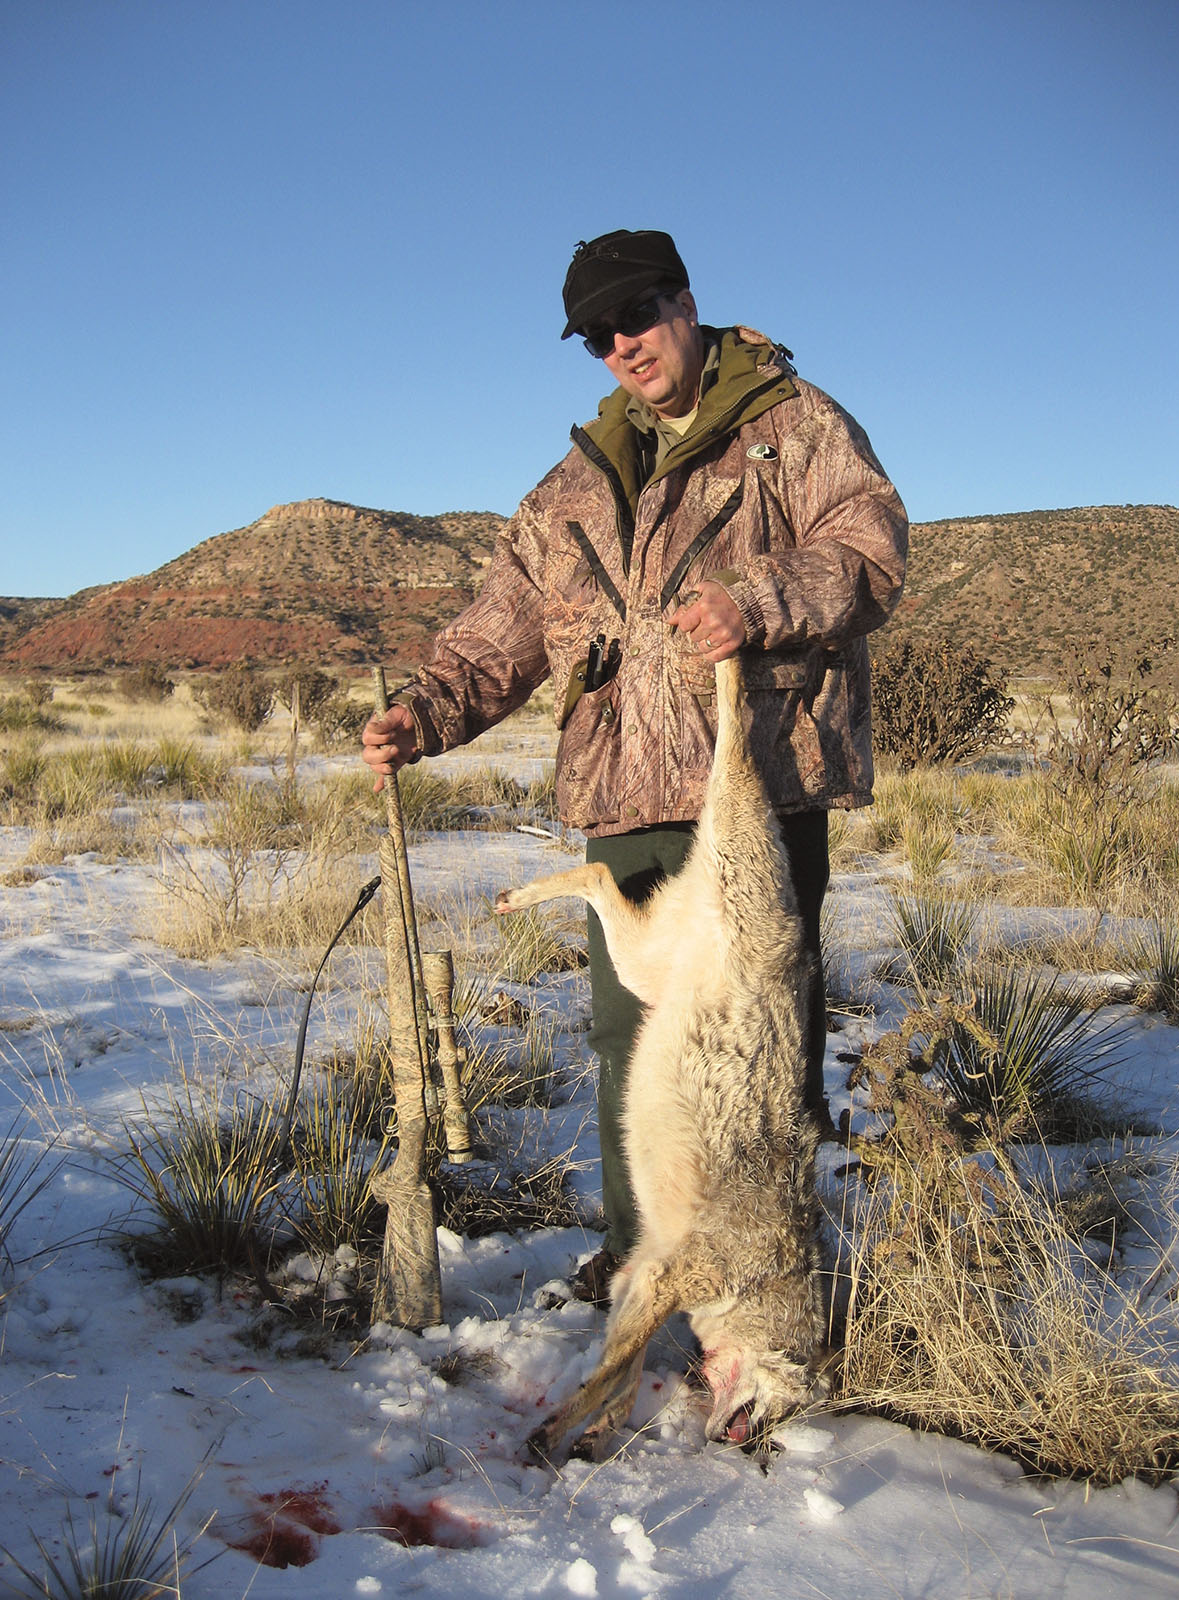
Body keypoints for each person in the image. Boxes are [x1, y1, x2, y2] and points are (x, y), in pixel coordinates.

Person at [362, 229, 908, 1305]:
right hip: (623, 790)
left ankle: (766, 1274)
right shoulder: (574, 482)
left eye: (639, 316)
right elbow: (503, 630)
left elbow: (871, 550)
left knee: (758, 1044)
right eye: (598, 335)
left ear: (686, 300)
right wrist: (423, 715)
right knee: (636, 1047)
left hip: (758, 783)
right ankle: (638, 1260)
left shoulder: (791, 427)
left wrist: (755, 601)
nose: (623, 345)